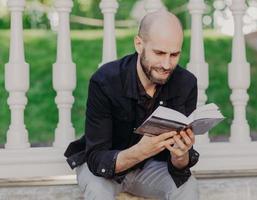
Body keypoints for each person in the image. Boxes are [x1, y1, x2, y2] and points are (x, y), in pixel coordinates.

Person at [64, 10, 200, 200]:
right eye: (159, 53)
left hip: (149, 167)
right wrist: (140, 151)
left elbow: (180, 167)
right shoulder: (105, 81)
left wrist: (180, 156)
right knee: (97, 191)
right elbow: (96, 159)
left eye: (174, 54)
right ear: (139, 44)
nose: (167, 65)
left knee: (188, 187)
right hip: (106, 167)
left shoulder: (186, 83)